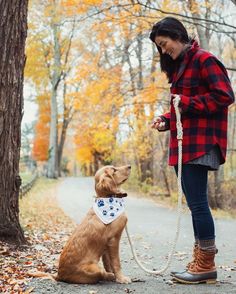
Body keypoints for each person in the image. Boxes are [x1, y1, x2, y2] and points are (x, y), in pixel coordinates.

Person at [149, 17, 235, 284]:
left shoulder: (204, 60)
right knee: (195, 204)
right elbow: (181, 106)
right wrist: (166, 119)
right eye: (159, 48)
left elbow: (225, 96)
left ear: (177, 35)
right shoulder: (180, 67)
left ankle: (206, 264)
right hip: (184, 145)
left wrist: (186, 102)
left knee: (198, 205)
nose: (164, 51)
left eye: (164, 44)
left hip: (201, 143)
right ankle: (201, 261)